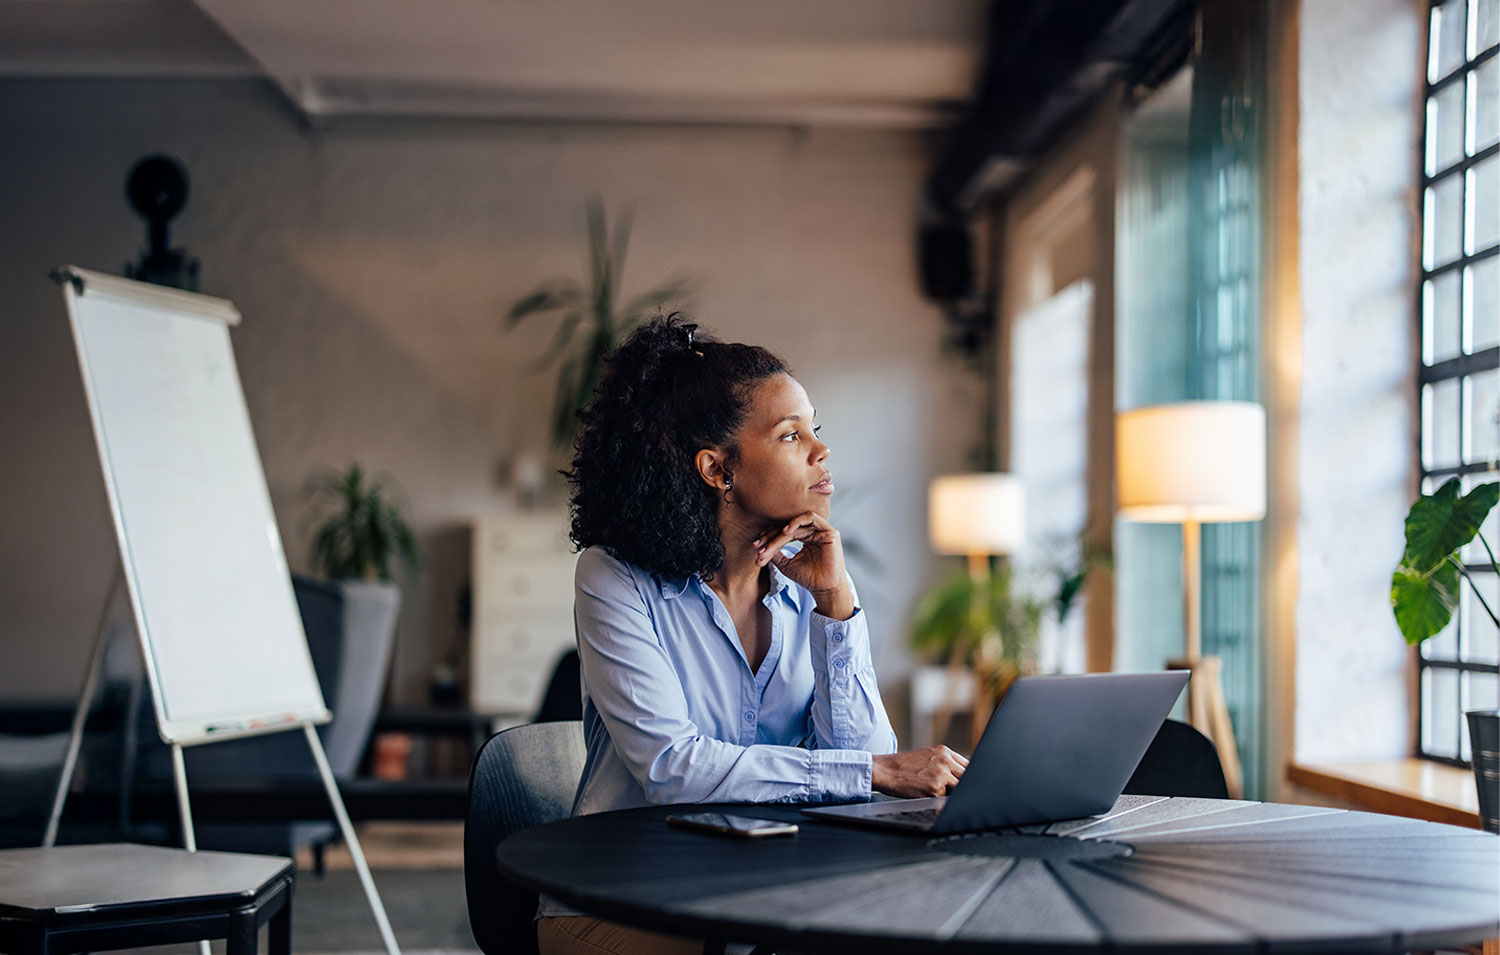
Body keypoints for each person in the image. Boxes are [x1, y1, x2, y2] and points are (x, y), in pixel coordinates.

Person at [536, 316, 968, 955]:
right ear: (717, 470)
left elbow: (863, 763)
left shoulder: (805, 586)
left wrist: (834, 606)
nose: (821, 453)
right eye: (791, 435)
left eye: (815, 430)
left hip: (770, 891)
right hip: (623, 902)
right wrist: (872, 772)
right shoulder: (614, 578)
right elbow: (672, 768)